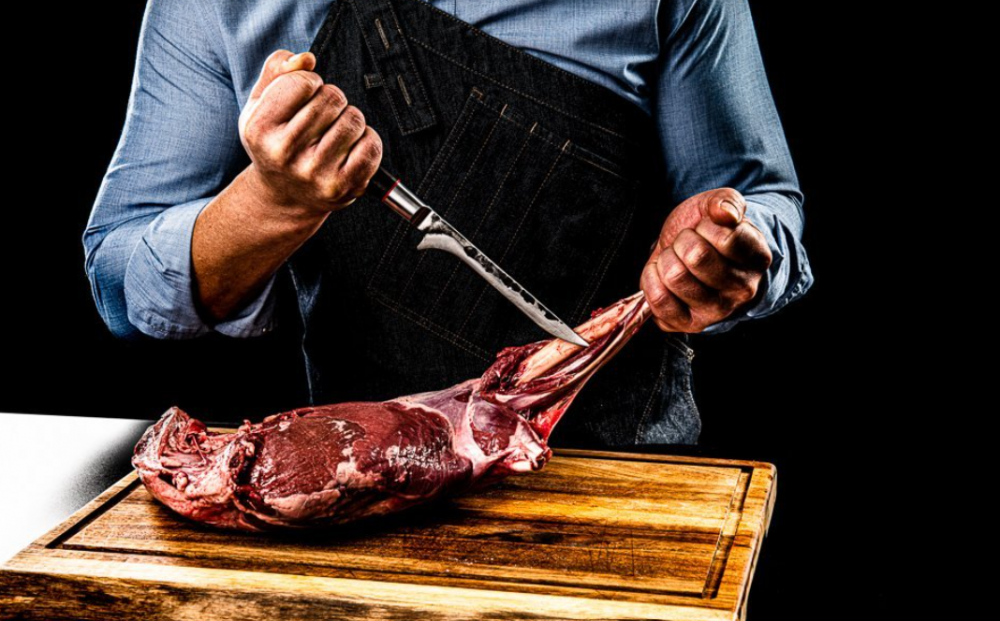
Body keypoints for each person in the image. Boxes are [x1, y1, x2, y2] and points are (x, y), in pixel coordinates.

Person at [83, 0, 813, 448]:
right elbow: (121, 281)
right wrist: (273, 202)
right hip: (359, 479)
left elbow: (763, 200)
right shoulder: (215, 7)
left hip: (623, 477)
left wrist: (731, 247)